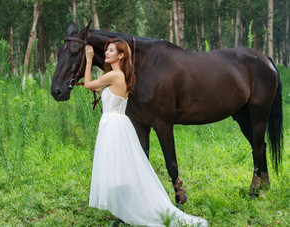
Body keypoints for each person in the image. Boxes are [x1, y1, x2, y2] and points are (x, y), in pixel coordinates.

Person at [84, 38, 208, 227]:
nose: (106, 53)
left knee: (117, 168)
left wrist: (89, 60)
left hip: (113, 126)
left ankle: (126, 208)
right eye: (106, 50)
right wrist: (103, 93)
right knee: (119, 167)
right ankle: (123, 206)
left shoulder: (114, 75)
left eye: (111, 50)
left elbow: (87, 84)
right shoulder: (123, 75)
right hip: (116, 123)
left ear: (121, 55)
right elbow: (114, 97)